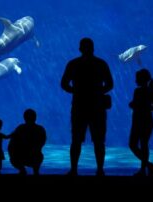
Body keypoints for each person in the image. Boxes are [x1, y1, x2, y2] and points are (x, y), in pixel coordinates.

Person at [61, 38, 113, 176]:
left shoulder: (73, 64)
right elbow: (110, 84)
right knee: (99, 141)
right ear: (93, 48)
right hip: (97, 106)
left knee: (76, 140)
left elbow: (64, 84)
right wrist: (98, 92)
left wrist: (76, 91)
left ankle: (74, 170)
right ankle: (100, 170)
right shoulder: (101, 64)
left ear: (80, 49)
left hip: (79, 106)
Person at [129, 68, 153, 177]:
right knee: (140, 145)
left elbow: (136, 104)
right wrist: (147, 106)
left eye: (137, 78)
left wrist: (139, 105)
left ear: (142, 79)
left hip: (141, 121)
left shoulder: (139, 91)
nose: (135, 80)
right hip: (143, 122)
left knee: (137, 145)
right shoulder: (150, 92)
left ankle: (144, 169)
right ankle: (147, 166)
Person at [8, 109, 46, 175]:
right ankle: (31, 171)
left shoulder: (21, 128)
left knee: (37, 157)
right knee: (37, 157)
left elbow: (42, 142)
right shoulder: (39, 128)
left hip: (31, 154)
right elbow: (42, 141)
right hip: (28, 154)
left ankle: (26, 170)